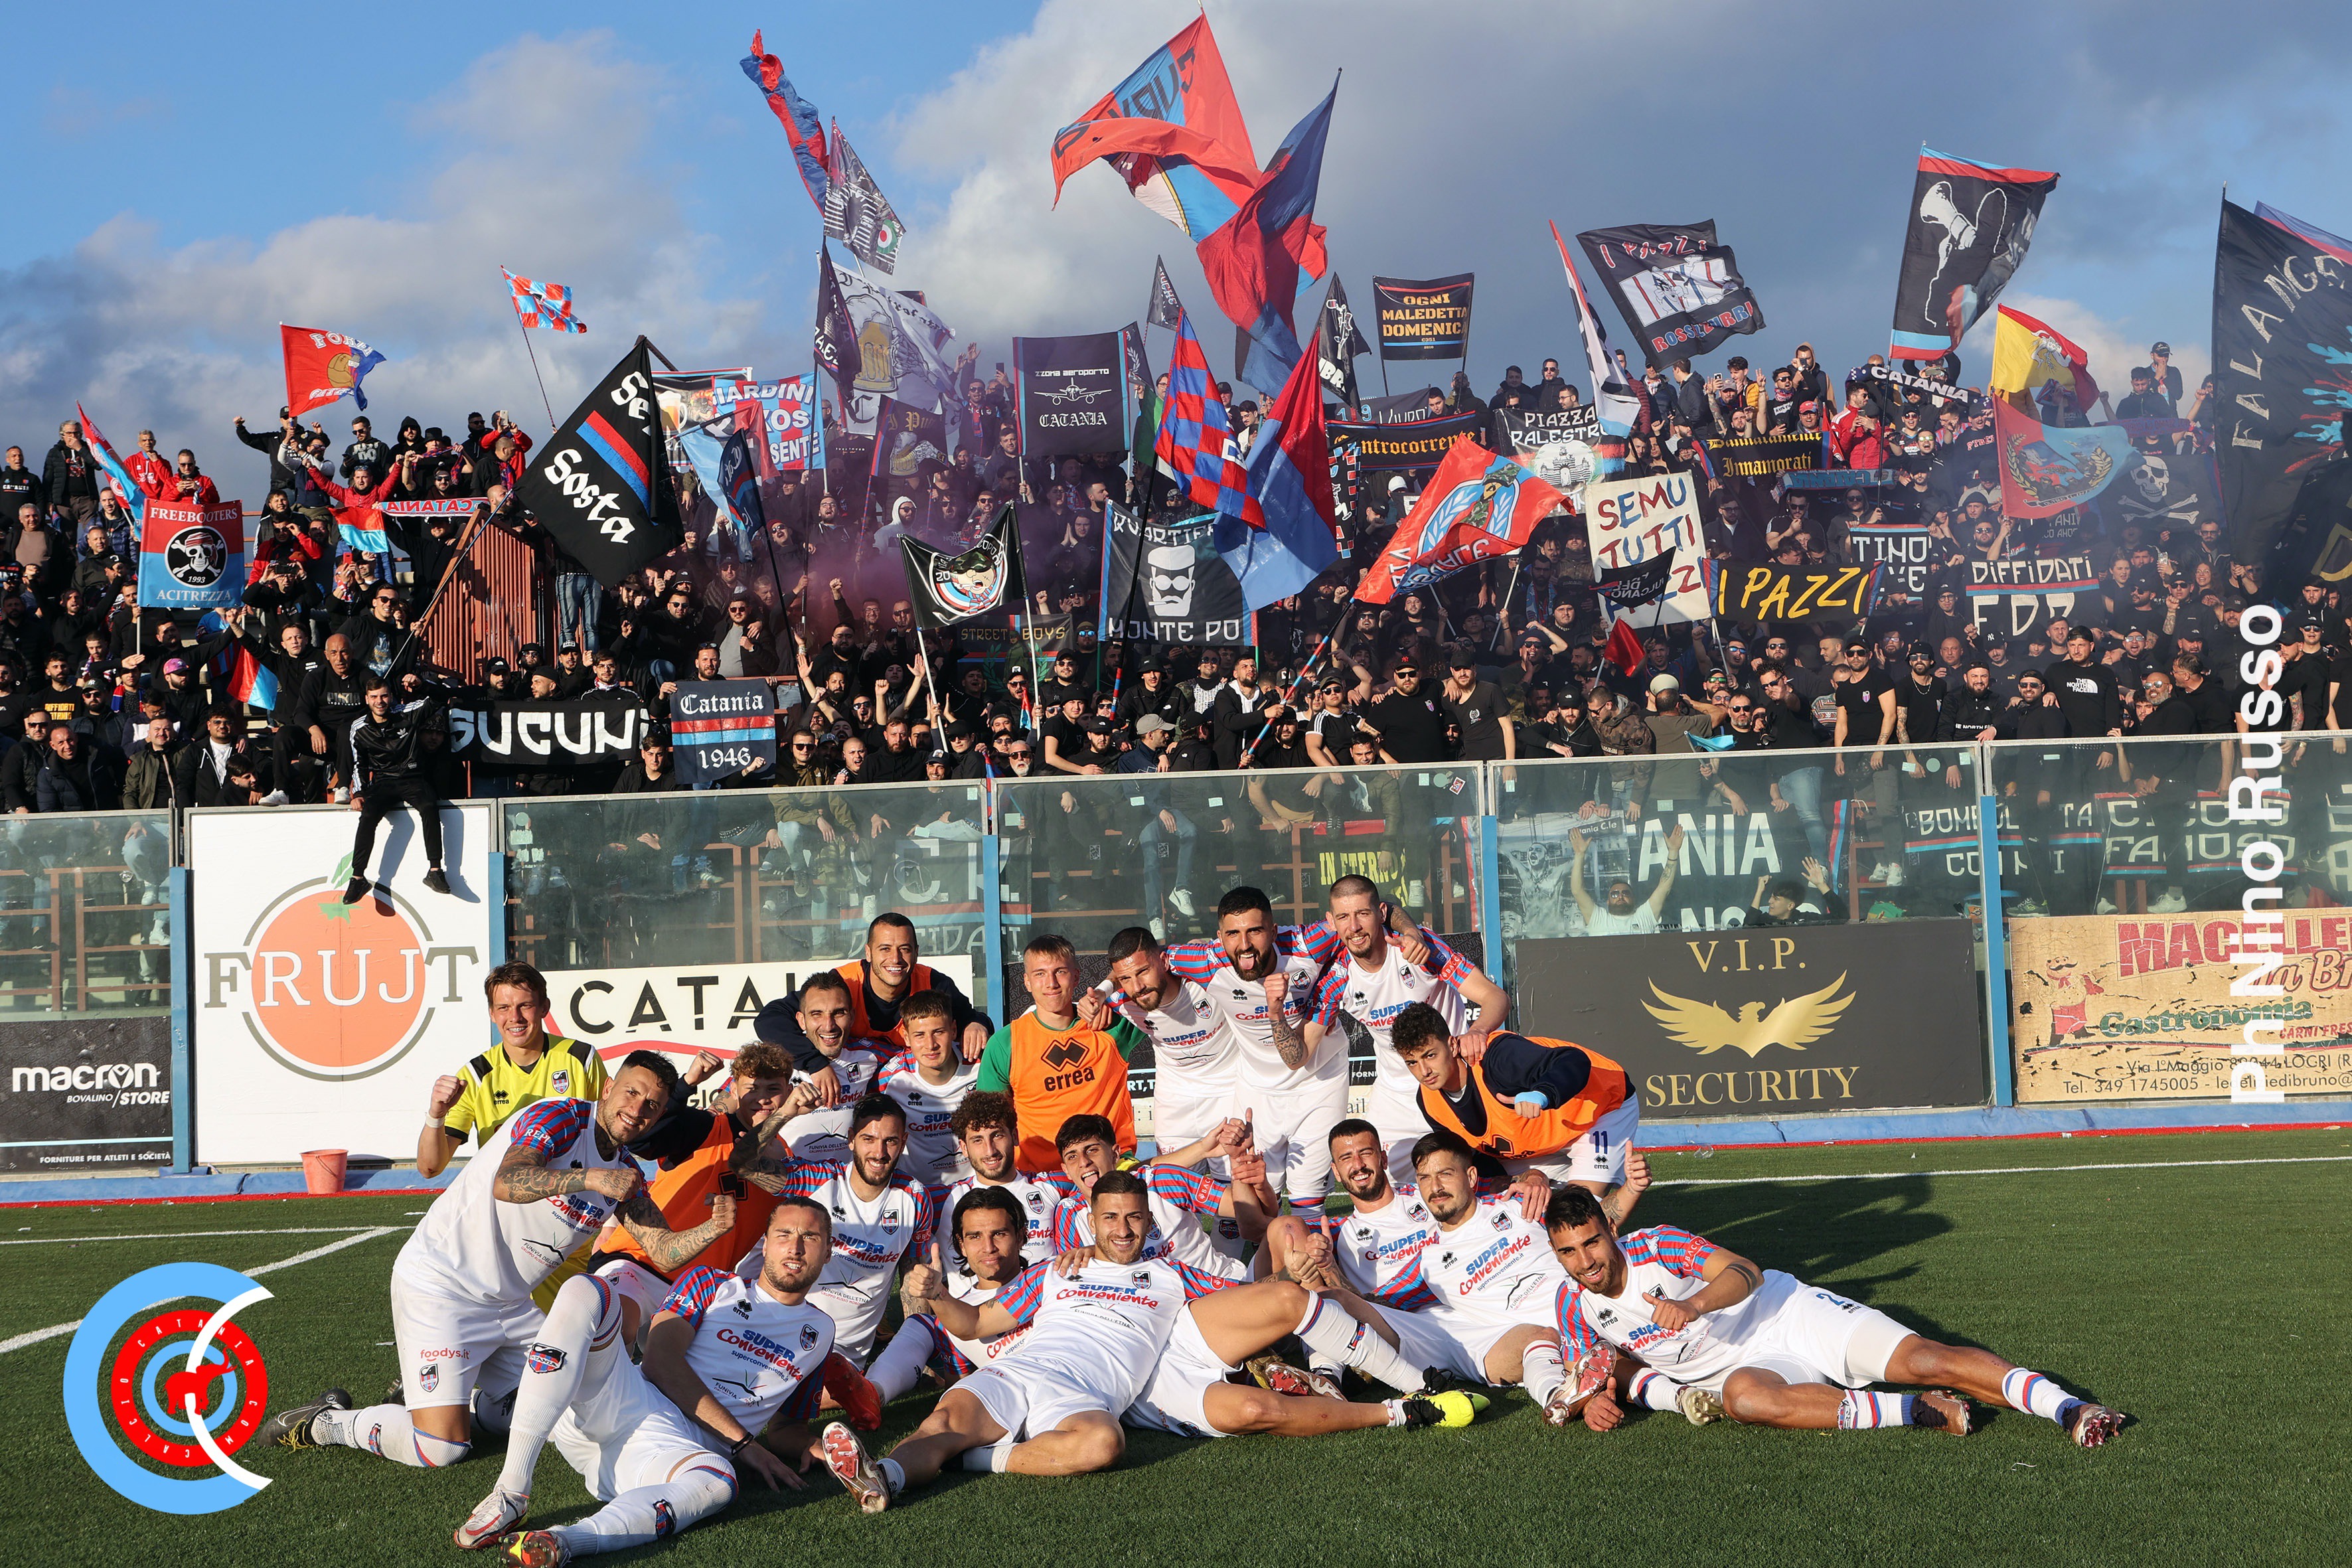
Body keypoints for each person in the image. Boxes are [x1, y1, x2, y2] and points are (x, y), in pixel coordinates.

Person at [817, 1171, 1466, 1512]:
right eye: (1110, 1218)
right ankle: (884, 1477)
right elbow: (974, 1325)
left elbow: (1249, 1292)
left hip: (1089, 1394)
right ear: (1089, 1220)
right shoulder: (1055, 1272)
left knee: (1103, 1445)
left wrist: (1290, 1272)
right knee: (942, 1424)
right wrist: (935, 1294)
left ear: (1149, 1221)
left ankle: (974, 1460)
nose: (1123, 1229)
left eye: (1134, 1217)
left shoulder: (1171, 1272)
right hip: (1022, 1372)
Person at [258, 1053, 737, 1478]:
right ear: (609, 1087)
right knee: (441, 1448)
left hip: (510, 1304)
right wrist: (590, 1179)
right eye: (631, 1092)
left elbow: (663, 1251)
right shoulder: (560, 1117)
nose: (637, 1109)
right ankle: (328, 1422)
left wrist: (712, 1228)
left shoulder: (627, 1172)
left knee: (568, 1410)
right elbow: (507, 1182)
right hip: (442, 1286)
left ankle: (468, 1397)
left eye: (652, 1104)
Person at [1541, 1186, 2126, 1445]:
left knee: (1926, 1360)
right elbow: (1594, 1368)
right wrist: (1593, 1403)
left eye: (1591, 1242)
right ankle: (1918, 1413)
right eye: (1568, 1252)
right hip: (1748, 1371)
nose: (1585, 1262)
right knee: (1744, 1402)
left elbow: (1745, 1271)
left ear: (1609, 1228)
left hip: (1788, 1314)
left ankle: (2070, 1408)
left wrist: (1692, 1305)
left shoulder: (1657, 1245)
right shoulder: (1571, 1304)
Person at [463, 1200, 836, 1563]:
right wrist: (743, 1443)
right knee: (587, 1290)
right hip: (628, 1401)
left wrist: (814, 1446)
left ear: (828, 1252)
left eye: (811, 1237)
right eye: (784, 1234)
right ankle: (511, 1492)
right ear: (765, 1244)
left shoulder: (821, 1331)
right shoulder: (711, 1282)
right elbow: (659, 1361)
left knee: (719, 1482)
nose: (796, 1247)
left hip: (668, 1456)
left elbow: (786, 1428)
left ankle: (563, 1541)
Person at [1310, 876, 1508, 1182]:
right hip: (1396, 1095)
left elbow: (1495, 997)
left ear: (1381, 914)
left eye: (1363, 914)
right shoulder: (1335, 976)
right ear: (1331, 921)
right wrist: (1275, 1010)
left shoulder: (1418, 949)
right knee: (1380, 1184)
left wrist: (1478, 1031)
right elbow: (1302, 1051)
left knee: (1480, 1181)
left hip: (1451, 1082)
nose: (1354, 927)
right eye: (1344, 917)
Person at [726, 1091, 938, 1371]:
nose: (879, 1153)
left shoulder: (915, 1198)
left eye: (890, 1141)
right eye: (868, 1139)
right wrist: (786, 1112)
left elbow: (912, 1276)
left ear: (904, 1142)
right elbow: (741, 1165)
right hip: (781, 1332)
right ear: (851, 1139)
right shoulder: (818, 1180)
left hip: (844, 1355)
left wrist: (916, 1347)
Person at [1387, 1002, 1640, 1212]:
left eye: (1430, 1055)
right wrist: (1525, 1179)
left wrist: (1542, 1094)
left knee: (1578, 1211)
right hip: (1535, 1142)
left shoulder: (1495, 1058)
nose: (1424, 1071)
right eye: (1412, 1062)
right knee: (1513, 1208)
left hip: (1598, 1109)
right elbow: (1475, 1162)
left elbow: (1574, 1060)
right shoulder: (1429, 1102)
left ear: (1452, 1046)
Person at [753, 911, 990, 1090]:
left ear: (916, 952)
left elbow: (971, 1018)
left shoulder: (934, 984)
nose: (895, 959)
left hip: (908, 1091)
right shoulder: (844, 983)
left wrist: (976, 1024)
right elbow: (770, 1019)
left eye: (904, 949)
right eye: (885, 949)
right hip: (848, 1088)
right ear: (868, 952)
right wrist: (814, 1063)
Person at [417, 962, 607, 1180]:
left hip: (570, 1191)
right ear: (492, 1013)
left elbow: (608, 1139)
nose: (515, 1017)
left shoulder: (581, 1058)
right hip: (504, 1194)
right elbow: (430, 1168)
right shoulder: (475, 1076)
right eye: (504, 1008)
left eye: (525, 1005)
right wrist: (436, 1115)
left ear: (544, 1007)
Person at [976, 933, 1140, 1172]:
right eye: (1040, 974)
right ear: (1027, 982)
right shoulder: (1005, 1043)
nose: (1051, 983)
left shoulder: (1109, 1025)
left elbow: (1148, 967)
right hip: (1040, 1178)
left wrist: (1105, 990)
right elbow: (989, 1123)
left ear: (1076, 976)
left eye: (1060, 972)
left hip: (1111, 1169)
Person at [346, 673, 454, 901]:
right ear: (366, 699)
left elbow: (441, 697)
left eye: (384, 696)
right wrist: (359, 793)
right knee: (368, 816)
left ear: (391, 696)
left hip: (412, 777)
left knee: (429, 805)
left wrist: (421, 684)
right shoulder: (359, 727)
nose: (380, 702)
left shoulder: (406, 712)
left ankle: (435, 870)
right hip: (383, 782)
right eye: (374, 697)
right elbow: (359, 764)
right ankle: (357, 878)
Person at [874, 990, 980, 1186]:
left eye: (938, 1032)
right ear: (906, 1038)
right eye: (920, 1035)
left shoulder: (979, 1066)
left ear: (954, 1030)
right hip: (917, 1191)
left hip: (973, 1188)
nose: (930, 1045)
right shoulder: (890, 1079)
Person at [1569, 823, 1686, 934]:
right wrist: (1579, 854)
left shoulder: (1644, 916)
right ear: (1608, 901)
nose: (1620, 896)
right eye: (1614, 894)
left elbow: (1664, 888)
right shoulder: (1598, 919)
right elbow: (1577, 891)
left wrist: (1673, 852)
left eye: (1625, 893)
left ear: (1634, 899)